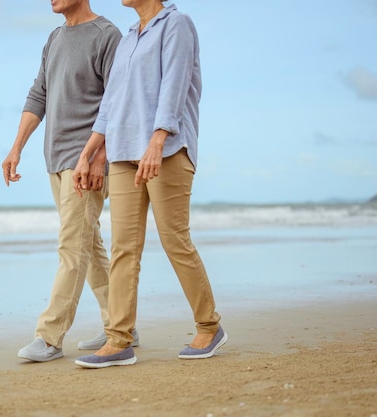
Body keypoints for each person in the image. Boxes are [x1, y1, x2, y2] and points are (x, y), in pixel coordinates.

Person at [72, 0, 227, 368]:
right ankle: (119, 340)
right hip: (123, 154)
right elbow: (110, 103)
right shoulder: (128, 38)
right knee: (124, 247)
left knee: (174, 238)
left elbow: (175, 85)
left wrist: (158, 139)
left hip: (168, 149)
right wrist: (90, 151)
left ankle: (210, 325)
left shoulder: (177, 25)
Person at [2, 0, 139, 362]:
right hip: (56, 159)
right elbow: (39, 95)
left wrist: (99, 156)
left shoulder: (106, 35)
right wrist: (16, 147)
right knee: (88, 245)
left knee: (71, 246)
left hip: (87, 161)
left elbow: (118, 101)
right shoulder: (54, 38)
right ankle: (121, 322)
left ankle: (49, 337)